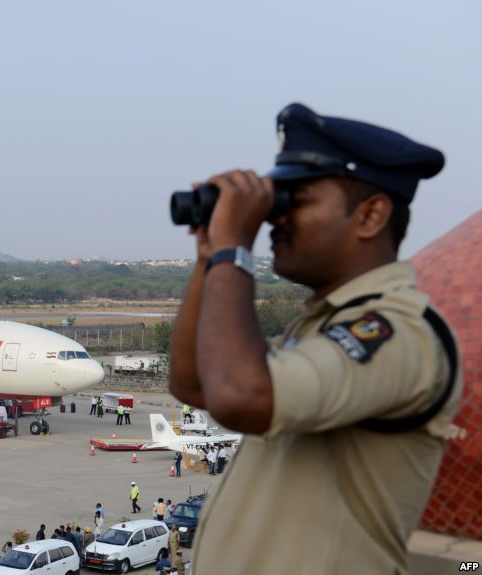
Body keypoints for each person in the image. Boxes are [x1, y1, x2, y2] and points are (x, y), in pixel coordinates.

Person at [167, 103, 461, 574]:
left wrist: (233, 250)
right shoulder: (319, 328)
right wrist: (210, 255)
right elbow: (194, 383)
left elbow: (240, 397)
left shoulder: (399, 334)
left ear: (370, 216)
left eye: (295, 201)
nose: (275, 219)